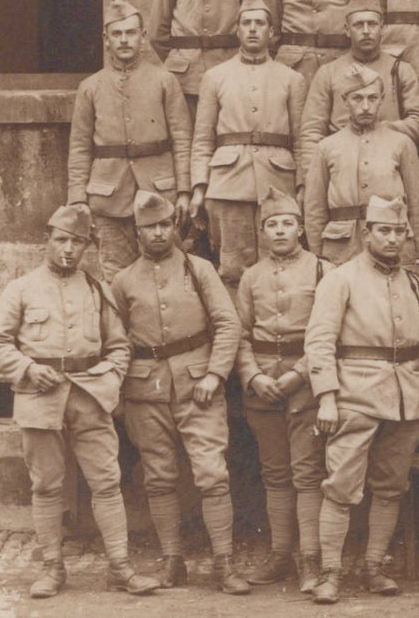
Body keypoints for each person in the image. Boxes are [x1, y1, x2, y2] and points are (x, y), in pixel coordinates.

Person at [0, 205, 159, 599]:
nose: (68, 249)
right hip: (39, 398)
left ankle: (120, 567)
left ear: (87, 248)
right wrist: (26, 368)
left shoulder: (97, 289)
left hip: (90, 397)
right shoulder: (22, 288)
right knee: (46, 486)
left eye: (77, 242)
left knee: (107, 483)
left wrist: (110, 378)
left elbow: (118, 345)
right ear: (47, 240)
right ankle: (51, 567)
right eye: (61, 239)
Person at [111, 190, 246, 593]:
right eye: (149, 227)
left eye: (164, 224)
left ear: (174, 226)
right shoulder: (122, 281)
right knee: (158, 477)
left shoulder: (199, 269)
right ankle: (173, 561)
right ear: (137, 232)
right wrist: (119, 393)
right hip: (145, 390)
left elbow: (229, 325)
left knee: (212, 474)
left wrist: (215, 375)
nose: (158, 233)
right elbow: (114, 339)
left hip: (197, 385)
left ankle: (224, 563)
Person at [304, 195, 419, 604]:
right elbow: (319, 341)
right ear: (366, 234)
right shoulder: (340, 279)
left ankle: (375, 567)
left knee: (391, 487)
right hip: (354, 396)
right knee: (340, 488)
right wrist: (327, 397)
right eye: (384, 230)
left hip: (405, 399)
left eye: (399, 231)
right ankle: (329, 573)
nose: (393, 239)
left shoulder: (413, 282)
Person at [235, 188, 327, 593]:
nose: (279, 231)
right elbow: (237, 334)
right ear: (262, 232)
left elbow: (330, 334)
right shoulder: (251, 277)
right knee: (275, 474)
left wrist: (301, 374)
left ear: (301, 228)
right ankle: (280, 554)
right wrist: (252, 376)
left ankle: (310, 559)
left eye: (287, 223)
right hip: (263, 386)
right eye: (271, 225)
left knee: (307, 473)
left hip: (304, 384)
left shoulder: (323, 271)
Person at [67, 0, 192, 282]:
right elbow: (79, 147)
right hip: (108, 199)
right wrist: (77, 198)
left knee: (167, 277)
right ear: (106, 39)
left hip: (159, 193)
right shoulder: (90, 87)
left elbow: (183, 139)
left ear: (143, 36)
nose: (124, 40)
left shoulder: (164, 81)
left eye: (131, 32)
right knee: (117, 279)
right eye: (117, 33)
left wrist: (184, 190)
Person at [191, 0, 307, 291]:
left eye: (260, 23)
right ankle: (238, 334)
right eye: (246, 23)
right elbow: (203, 138)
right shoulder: (215, 77)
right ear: (237, 30)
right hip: (228, 184)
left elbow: (302, 139)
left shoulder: (291, 79)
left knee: (281, 264)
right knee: (232, 268)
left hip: (278, 181)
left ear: (272, 32)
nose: (253, 29)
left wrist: (304, 185)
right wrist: (199, 187)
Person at [304, 62, 419, 266]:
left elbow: (417, 205)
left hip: (392, 246)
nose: (365, 106)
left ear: (382, 100)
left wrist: (418, 255)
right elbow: (314, 209)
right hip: (341, 249)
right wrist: (318, 258)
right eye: (357, 98)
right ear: (345, 101)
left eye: (372, 98)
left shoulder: (402, 143)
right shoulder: (326, 147)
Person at [301, 0, 419, 163]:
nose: (366, 31)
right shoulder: (328, 72)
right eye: (359, 25)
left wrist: (382, 129)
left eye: (372, 24)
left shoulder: (401, 70)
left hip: (389, 158)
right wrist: (311, 176)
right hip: (341, 159)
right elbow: (312, 130)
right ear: (347, 29)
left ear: (382, 28)